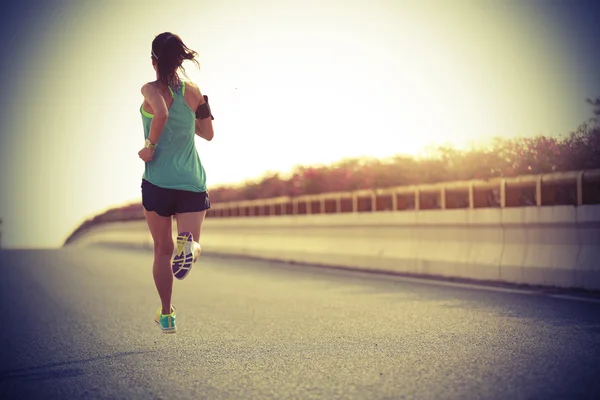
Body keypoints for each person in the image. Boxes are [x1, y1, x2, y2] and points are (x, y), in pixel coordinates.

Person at [138, 32, 214, 334]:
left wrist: (150, 145)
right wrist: (198, 112)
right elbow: (207, 133)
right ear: (180, 60)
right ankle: (190, 248)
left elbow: (162, 112)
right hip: (191, 182)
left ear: (153, 60)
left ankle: (167, 314)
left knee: (161, 250)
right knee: (192, 244)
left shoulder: (149, 88)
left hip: (158, 181)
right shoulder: (193, 91)